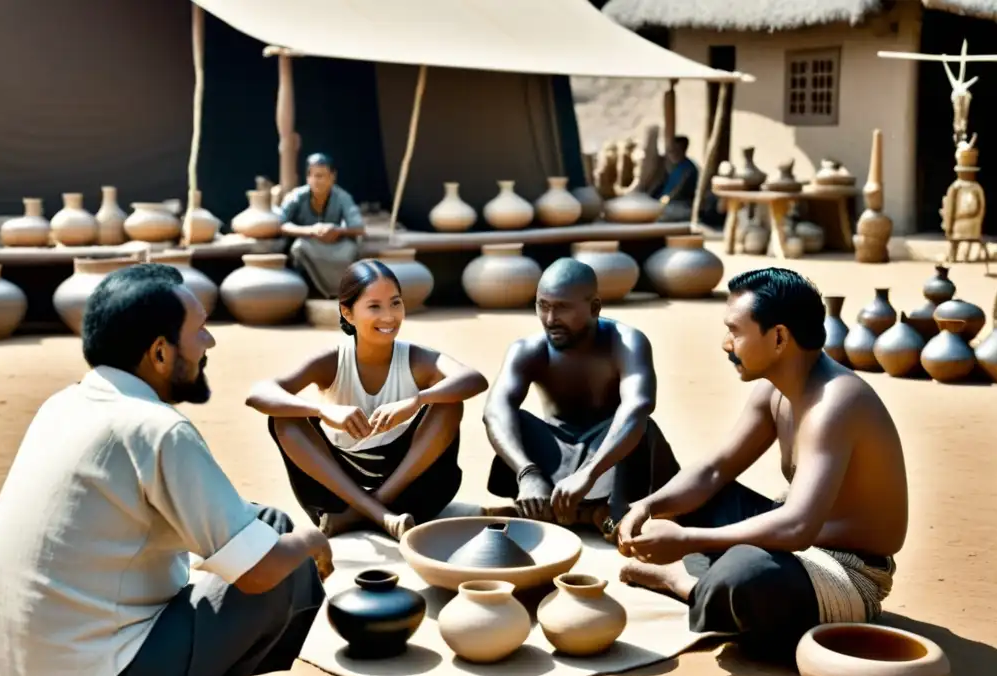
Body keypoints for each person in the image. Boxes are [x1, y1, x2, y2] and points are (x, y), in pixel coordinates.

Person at [0, 264, 334, 676]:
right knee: (287, 564)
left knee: (266, 523)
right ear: (160, 353)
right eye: (199, 331)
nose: (210, 343)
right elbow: (260, 573)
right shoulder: (157, 429)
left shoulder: (65, 402)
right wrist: (312, 541)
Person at [618, 267, 907, 659]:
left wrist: (686, 540)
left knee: (746, 575)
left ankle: (680, 582)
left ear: (779, 337)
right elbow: (715, 470)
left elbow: (797, 526)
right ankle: (707, 574)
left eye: (735, 331)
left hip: (848, 571)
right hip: (794, 536)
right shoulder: (772, 390)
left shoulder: (836, 402)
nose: (726, 343)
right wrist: (648, 505)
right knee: (691, 493)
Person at [246, 259, 488, 540]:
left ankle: (362, 514)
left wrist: (417, 400)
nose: (389, 316)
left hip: (409, 495)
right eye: (374, 306)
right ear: (347, 313)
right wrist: (323, 410)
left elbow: (474, 379)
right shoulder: (332, 360)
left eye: (395, 303)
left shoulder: (417, 358)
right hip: (336, 495)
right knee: (284, 417)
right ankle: (377, 514)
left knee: (449, 403)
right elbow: (259, 394)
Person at [482, 258, 680, 537]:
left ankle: (607, 516)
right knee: (510, 419)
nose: (550, 320)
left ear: (594, 308)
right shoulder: (528, 348)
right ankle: (575, 512)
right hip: (557, 456)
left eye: (562, 308)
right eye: (543, 305)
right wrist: (528, 473)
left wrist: (589, 474)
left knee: (640, 425)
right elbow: (495, 409)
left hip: (611, 457)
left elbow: (639, 405)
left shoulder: (626, 341)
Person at [280, 152, 365, 298]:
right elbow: (280, 224)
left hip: (334, 244)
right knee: (297, 248)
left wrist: (336, 230)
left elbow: (359, 227)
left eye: (321, 176)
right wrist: (310, 230)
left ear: (332, 177)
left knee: (352, 249)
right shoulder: (297, 196)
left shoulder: (342, 197)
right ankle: (309, 294)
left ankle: (342, 292)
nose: (316, 181)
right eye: (312, 176)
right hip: (307, 243)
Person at [651, 136, 699, 223]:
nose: (673, 153)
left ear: (683, 150)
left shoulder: (688, 169)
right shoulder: (675, 167)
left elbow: (678, 190)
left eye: (676, 150)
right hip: (667, 204)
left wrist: (665, 200)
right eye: (671, 151)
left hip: (681, 205)